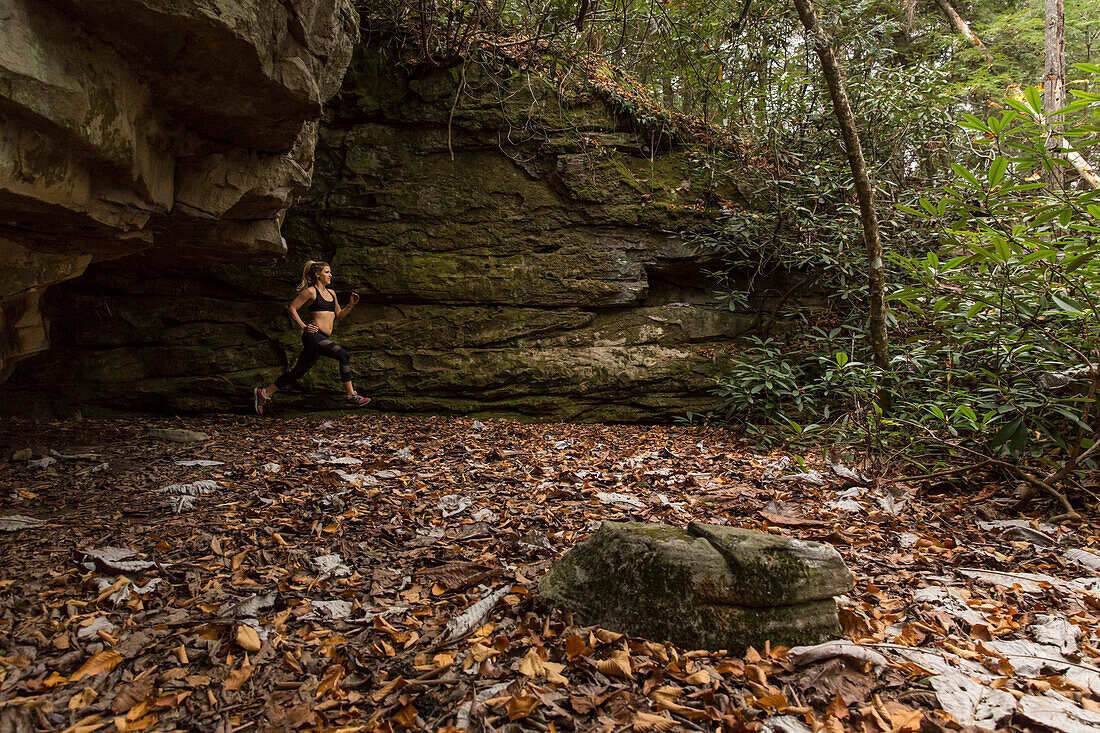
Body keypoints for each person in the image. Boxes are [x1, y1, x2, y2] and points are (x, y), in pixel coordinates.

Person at [254, 261, 370, 414]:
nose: (330, 275)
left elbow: (339, 316)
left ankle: (264, 393)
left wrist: (350, 305)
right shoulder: (310, 292)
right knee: (344, 354)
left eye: (330, 272)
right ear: (317, 275)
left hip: (321, 338)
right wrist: (303, 326)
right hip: (313, 336)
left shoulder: (332, 293)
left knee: (298, 372)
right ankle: (350, 395)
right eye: (327, 272)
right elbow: (292, 308)